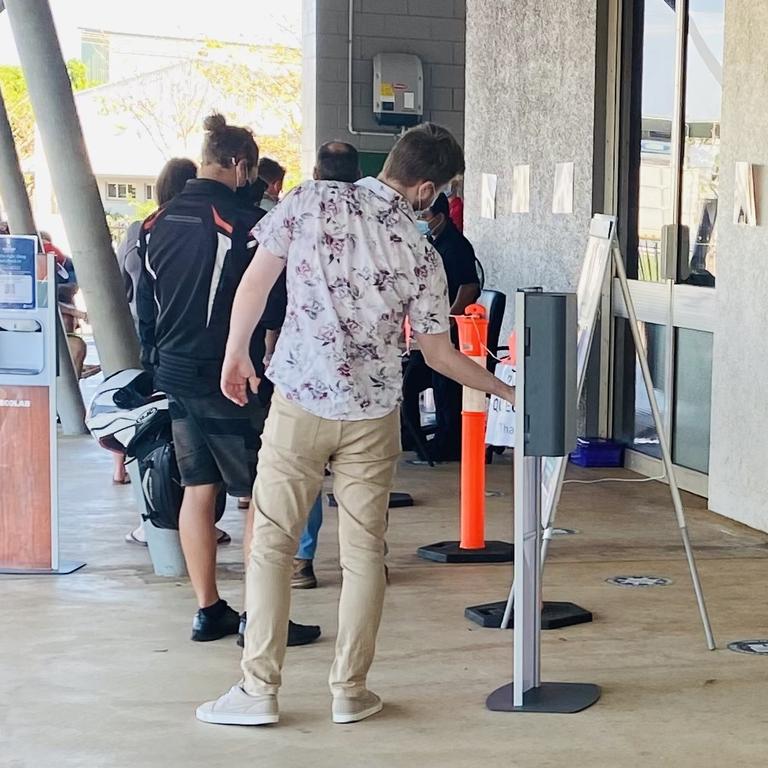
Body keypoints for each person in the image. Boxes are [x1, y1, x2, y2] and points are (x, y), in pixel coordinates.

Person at [197, 123, 515, 726]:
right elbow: (437, 354)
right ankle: (349, 691)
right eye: (441, 192)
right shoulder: (421, 251)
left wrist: (236, 351)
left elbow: (256, 282)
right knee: (365, 554)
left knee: (271, 546)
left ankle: (259, 692)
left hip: (300, 400)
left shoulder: (309, 200)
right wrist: (503, 389)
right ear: (424, 187)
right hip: (373, 415)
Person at [136, 113, 320, 647]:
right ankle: (264, 620)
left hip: (174, 373)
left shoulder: (155, 222)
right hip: (230, 375)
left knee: (198, 487)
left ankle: (208, 609)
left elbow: (143, 306)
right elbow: (274, 301)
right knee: (262, 495)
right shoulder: (246, 222)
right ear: (241, 166)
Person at [290, 140, 364, 591]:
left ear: (317, 171)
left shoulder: (298, 208)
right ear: (357, 174)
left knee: (306, 472)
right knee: (363, 483)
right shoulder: (380, 217)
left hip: (310, 371)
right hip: (367, 377)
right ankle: (367, 561)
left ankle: (302, 560)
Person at [402, 192, 481, 462]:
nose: (423, 221)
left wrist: (448, 317)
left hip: (451, 331)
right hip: (432, 328)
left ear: (441, 217)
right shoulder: (434, 242)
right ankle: (411, 436)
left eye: (426, 217)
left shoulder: (455, 246)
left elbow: (469, 287)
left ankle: (448, 444)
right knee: (409, 382)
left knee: (444, 386)